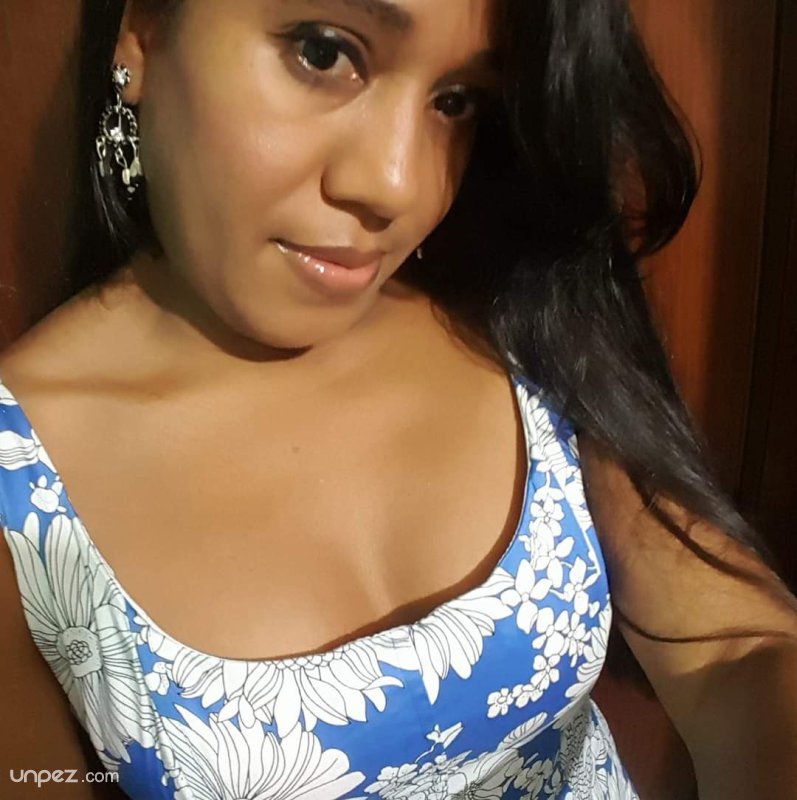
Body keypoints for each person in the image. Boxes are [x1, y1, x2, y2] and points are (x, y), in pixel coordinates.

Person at [0, 0, 795, 797]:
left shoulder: (509, 312)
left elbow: (736, 650)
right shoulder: (21, 485)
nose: (396, 183)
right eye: (322, 53)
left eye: (455, 101)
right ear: (143, 30)